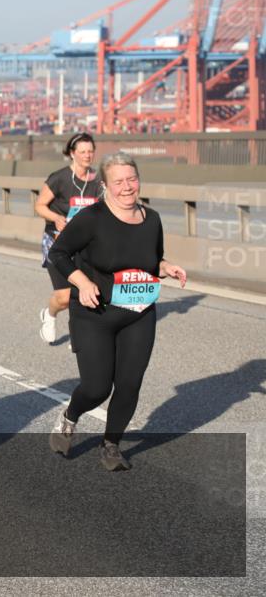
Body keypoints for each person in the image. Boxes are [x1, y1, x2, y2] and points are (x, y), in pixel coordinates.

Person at [47, 153, 186, 471]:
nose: (127, 187)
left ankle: (111, 444)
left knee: (129, 383)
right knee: (97, 388)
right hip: (93, 313)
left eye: (132, 179)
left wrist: (166, 267)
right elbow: (59, 253)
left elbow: (151, 261)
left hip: (138, 312)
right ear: (105, 185)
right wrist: (81, 282)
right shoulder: (92, 218)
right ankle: (70, 415)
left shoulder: (151, 219)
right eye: (119, 181)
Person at [35, 132, 103, 345]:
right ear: (72, 154)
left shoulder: (99, 180)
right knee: (64, 298)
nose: (87, 155)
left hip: (85, 246)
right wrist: (56, 218)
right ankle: (50, 315)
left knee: (86, 291)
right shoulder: (59, 178)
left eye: (90, 151)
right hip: (58, 243)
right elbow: (39, 206)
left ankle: (81, 333)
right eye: (82, 152)